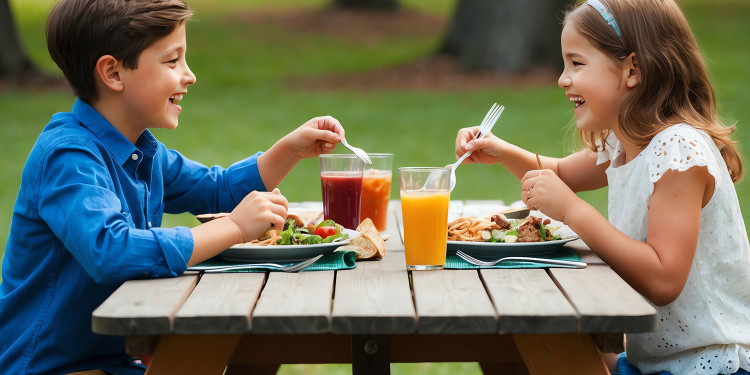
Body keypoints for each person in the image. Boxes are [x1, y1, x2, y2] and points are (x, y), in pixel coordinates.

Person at [0, 0, 346, 373]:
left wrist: (289, 150)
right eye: (172, 61)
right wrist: (234, 227)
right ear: (113, 73)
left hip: (113, 361)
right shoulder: (68, 157)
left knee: (255, 353)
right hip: (47, 366)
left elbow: (220, 190)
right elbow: (110, 251)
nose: (189, 75)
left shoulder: (142, 152)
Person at [454, 0, 750, 374]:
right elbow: (559, 173)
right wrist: (501, 151)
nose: (563, 78)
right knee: (510, 348)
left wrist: (573, 212)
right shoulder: (626, 144)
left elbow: (663, 278)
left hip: (705, 365)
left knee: (526, 349)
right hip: (653, 359)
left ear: (632, 70)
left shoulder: (678, 151)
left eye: (577, 64)